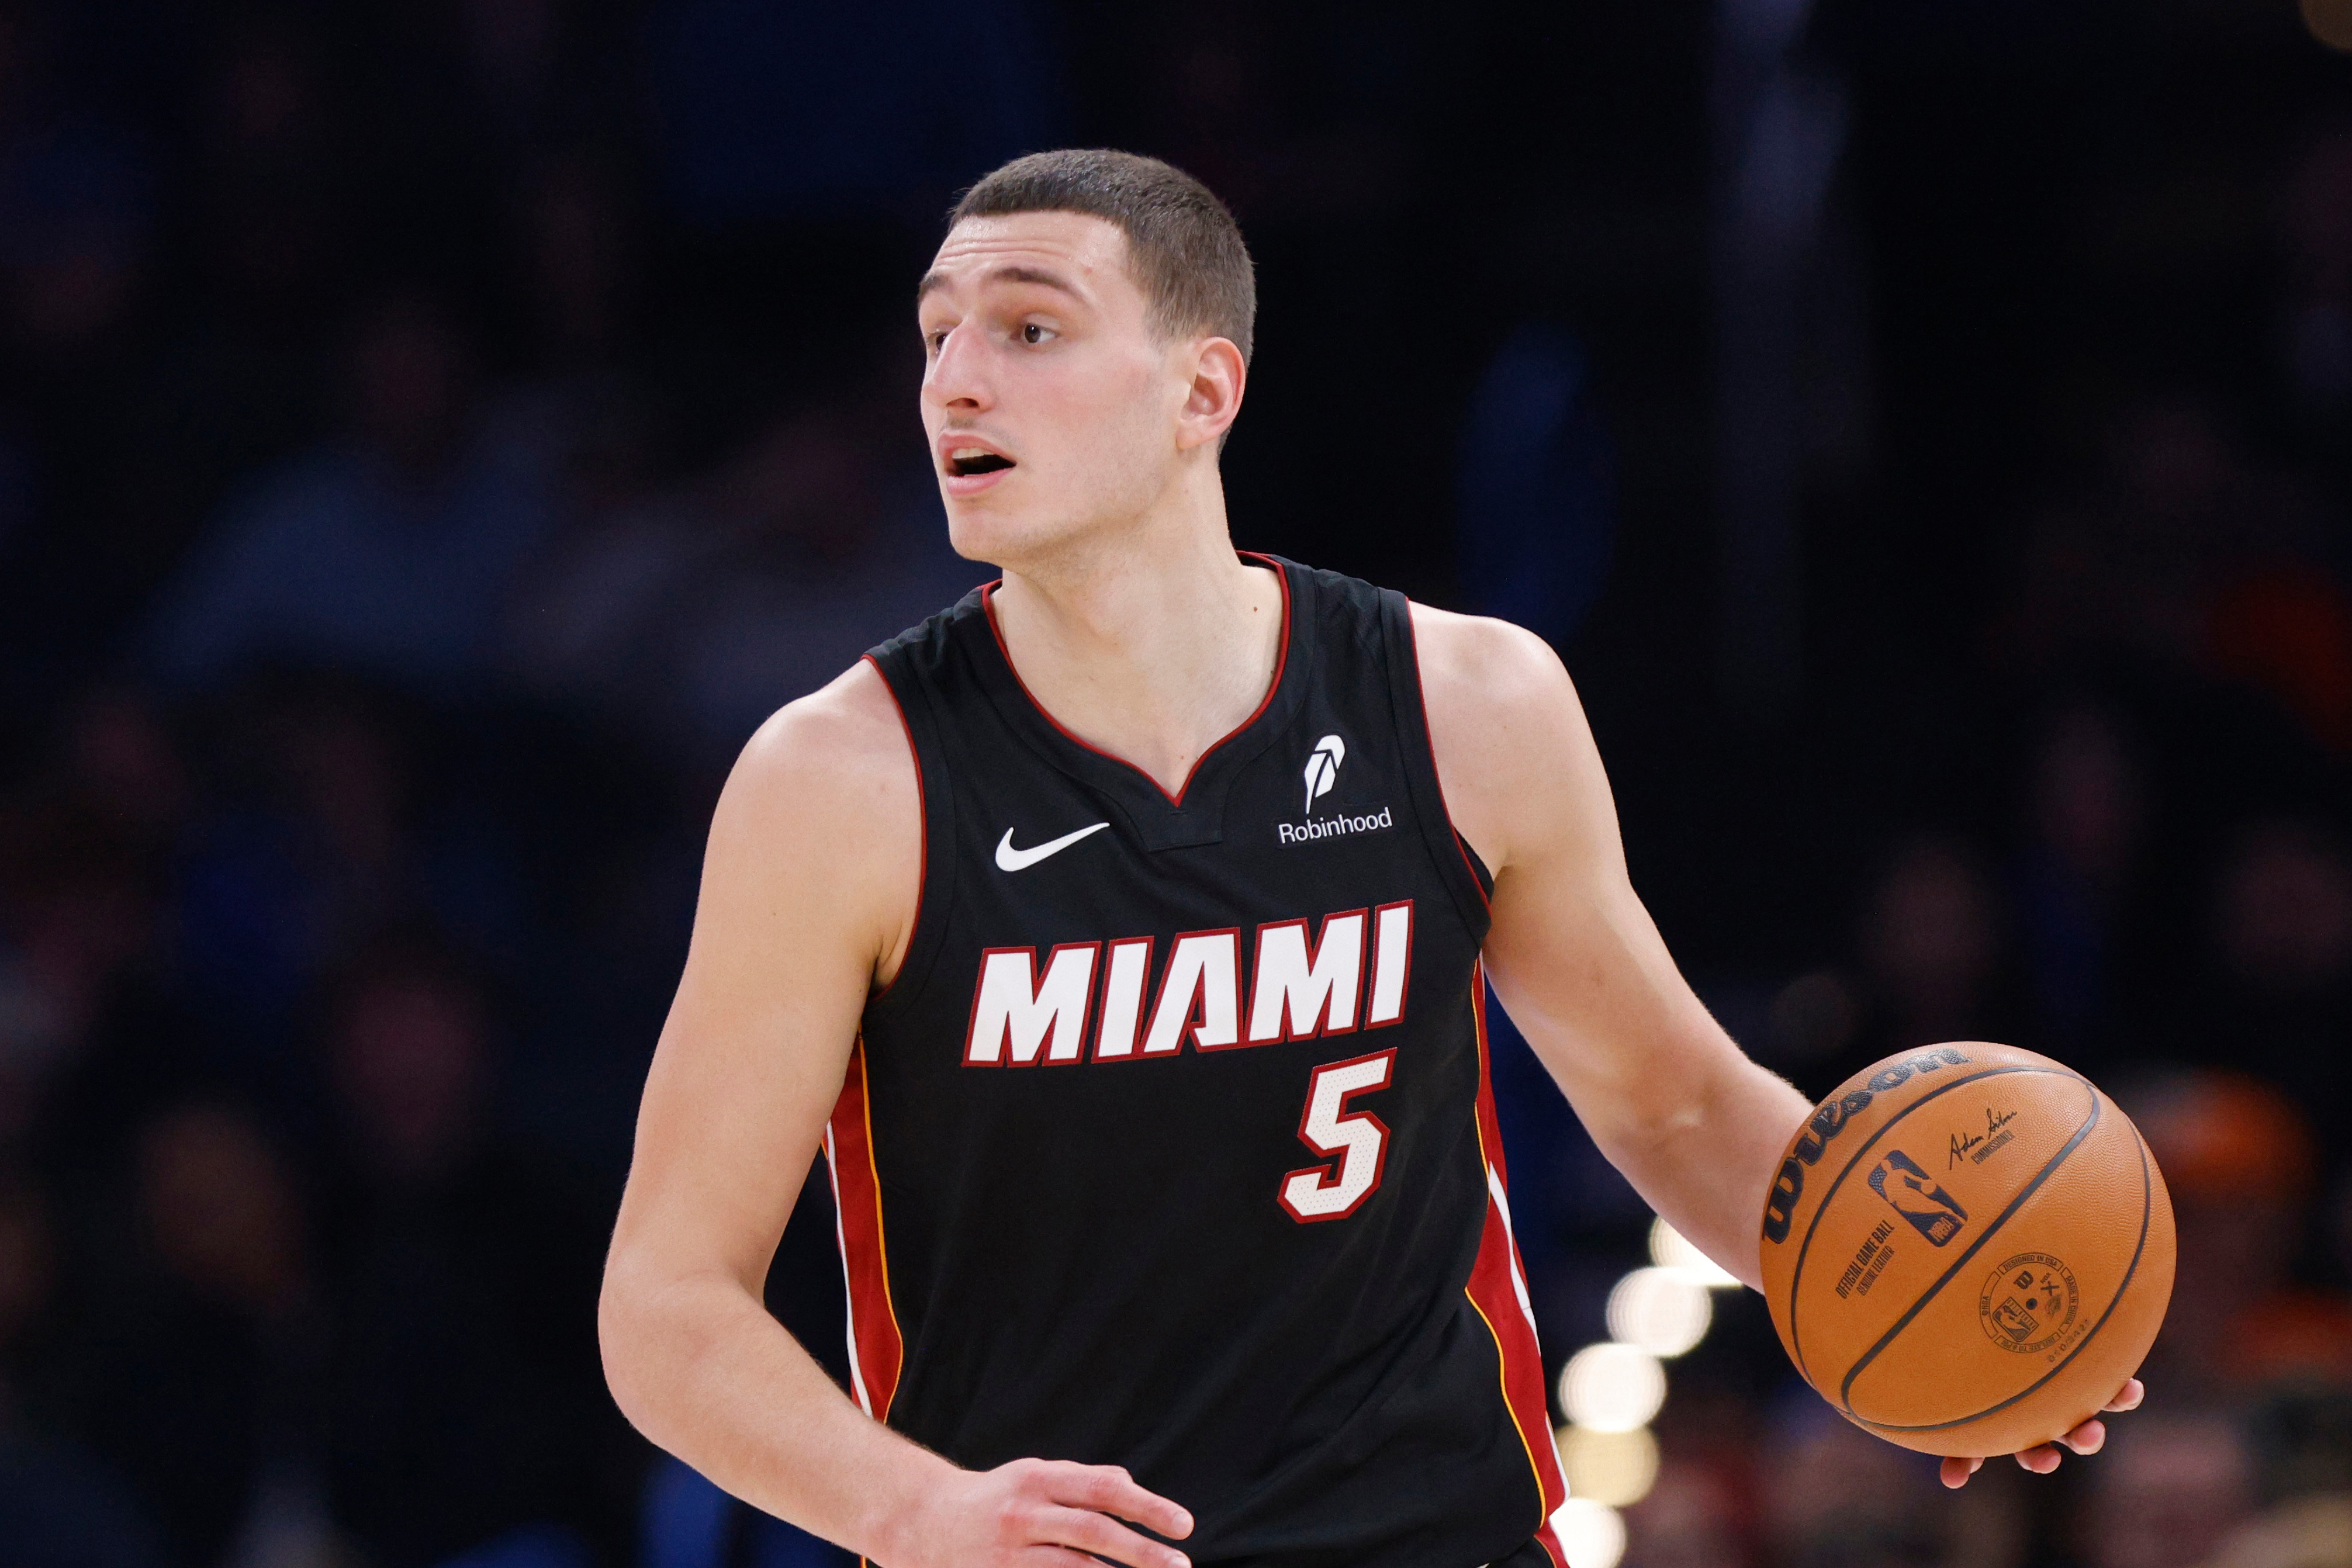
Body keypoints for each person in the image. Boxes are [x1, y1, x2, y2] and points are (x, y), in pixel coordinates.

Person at [597, 149, 2139, 1568]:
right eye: (937, 334)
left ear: (1205, 389)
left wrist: (1914, 1303)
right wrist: (917, 1506)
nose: (955, 382)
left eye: (1030, 329)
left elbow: (1674, 1101)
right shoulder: (841, 778)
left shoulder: (1466, 705)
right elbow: (666, 1306)